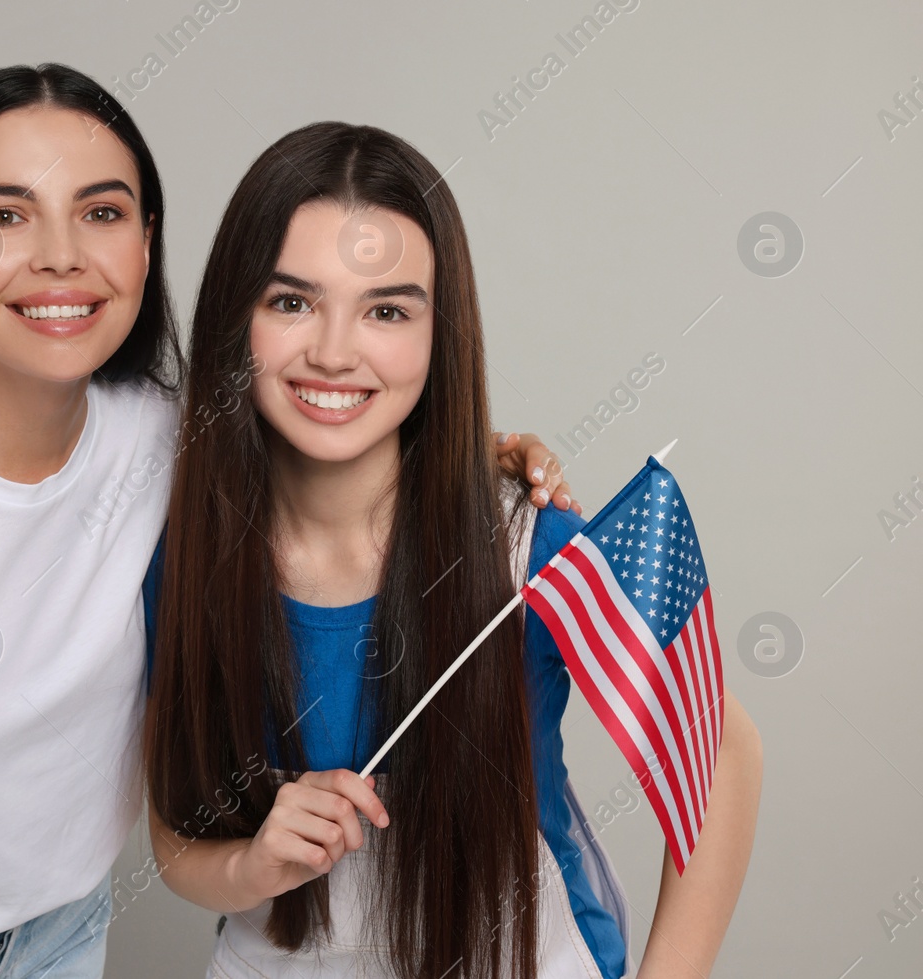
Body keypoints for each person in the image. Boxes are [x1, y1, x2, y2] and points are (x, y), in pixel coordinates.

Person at [0, 64, 578, 979]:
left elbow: (328, 404)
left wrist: (477, 452)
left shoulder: (164, 438)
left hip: (61, 943)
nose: (61, 255)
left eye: (100, 212)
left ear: (146, 246)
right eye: (4, 215)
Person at [142, 121, 763, 978]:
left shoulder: (528, 549)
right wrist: (252, 865)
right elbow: (175, 837)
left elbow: (722, 749)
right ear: (233, 317)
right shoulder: (184, 554)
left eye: (387, 310)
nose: (332, 351)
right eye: (291, 301)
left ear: (441, 334)